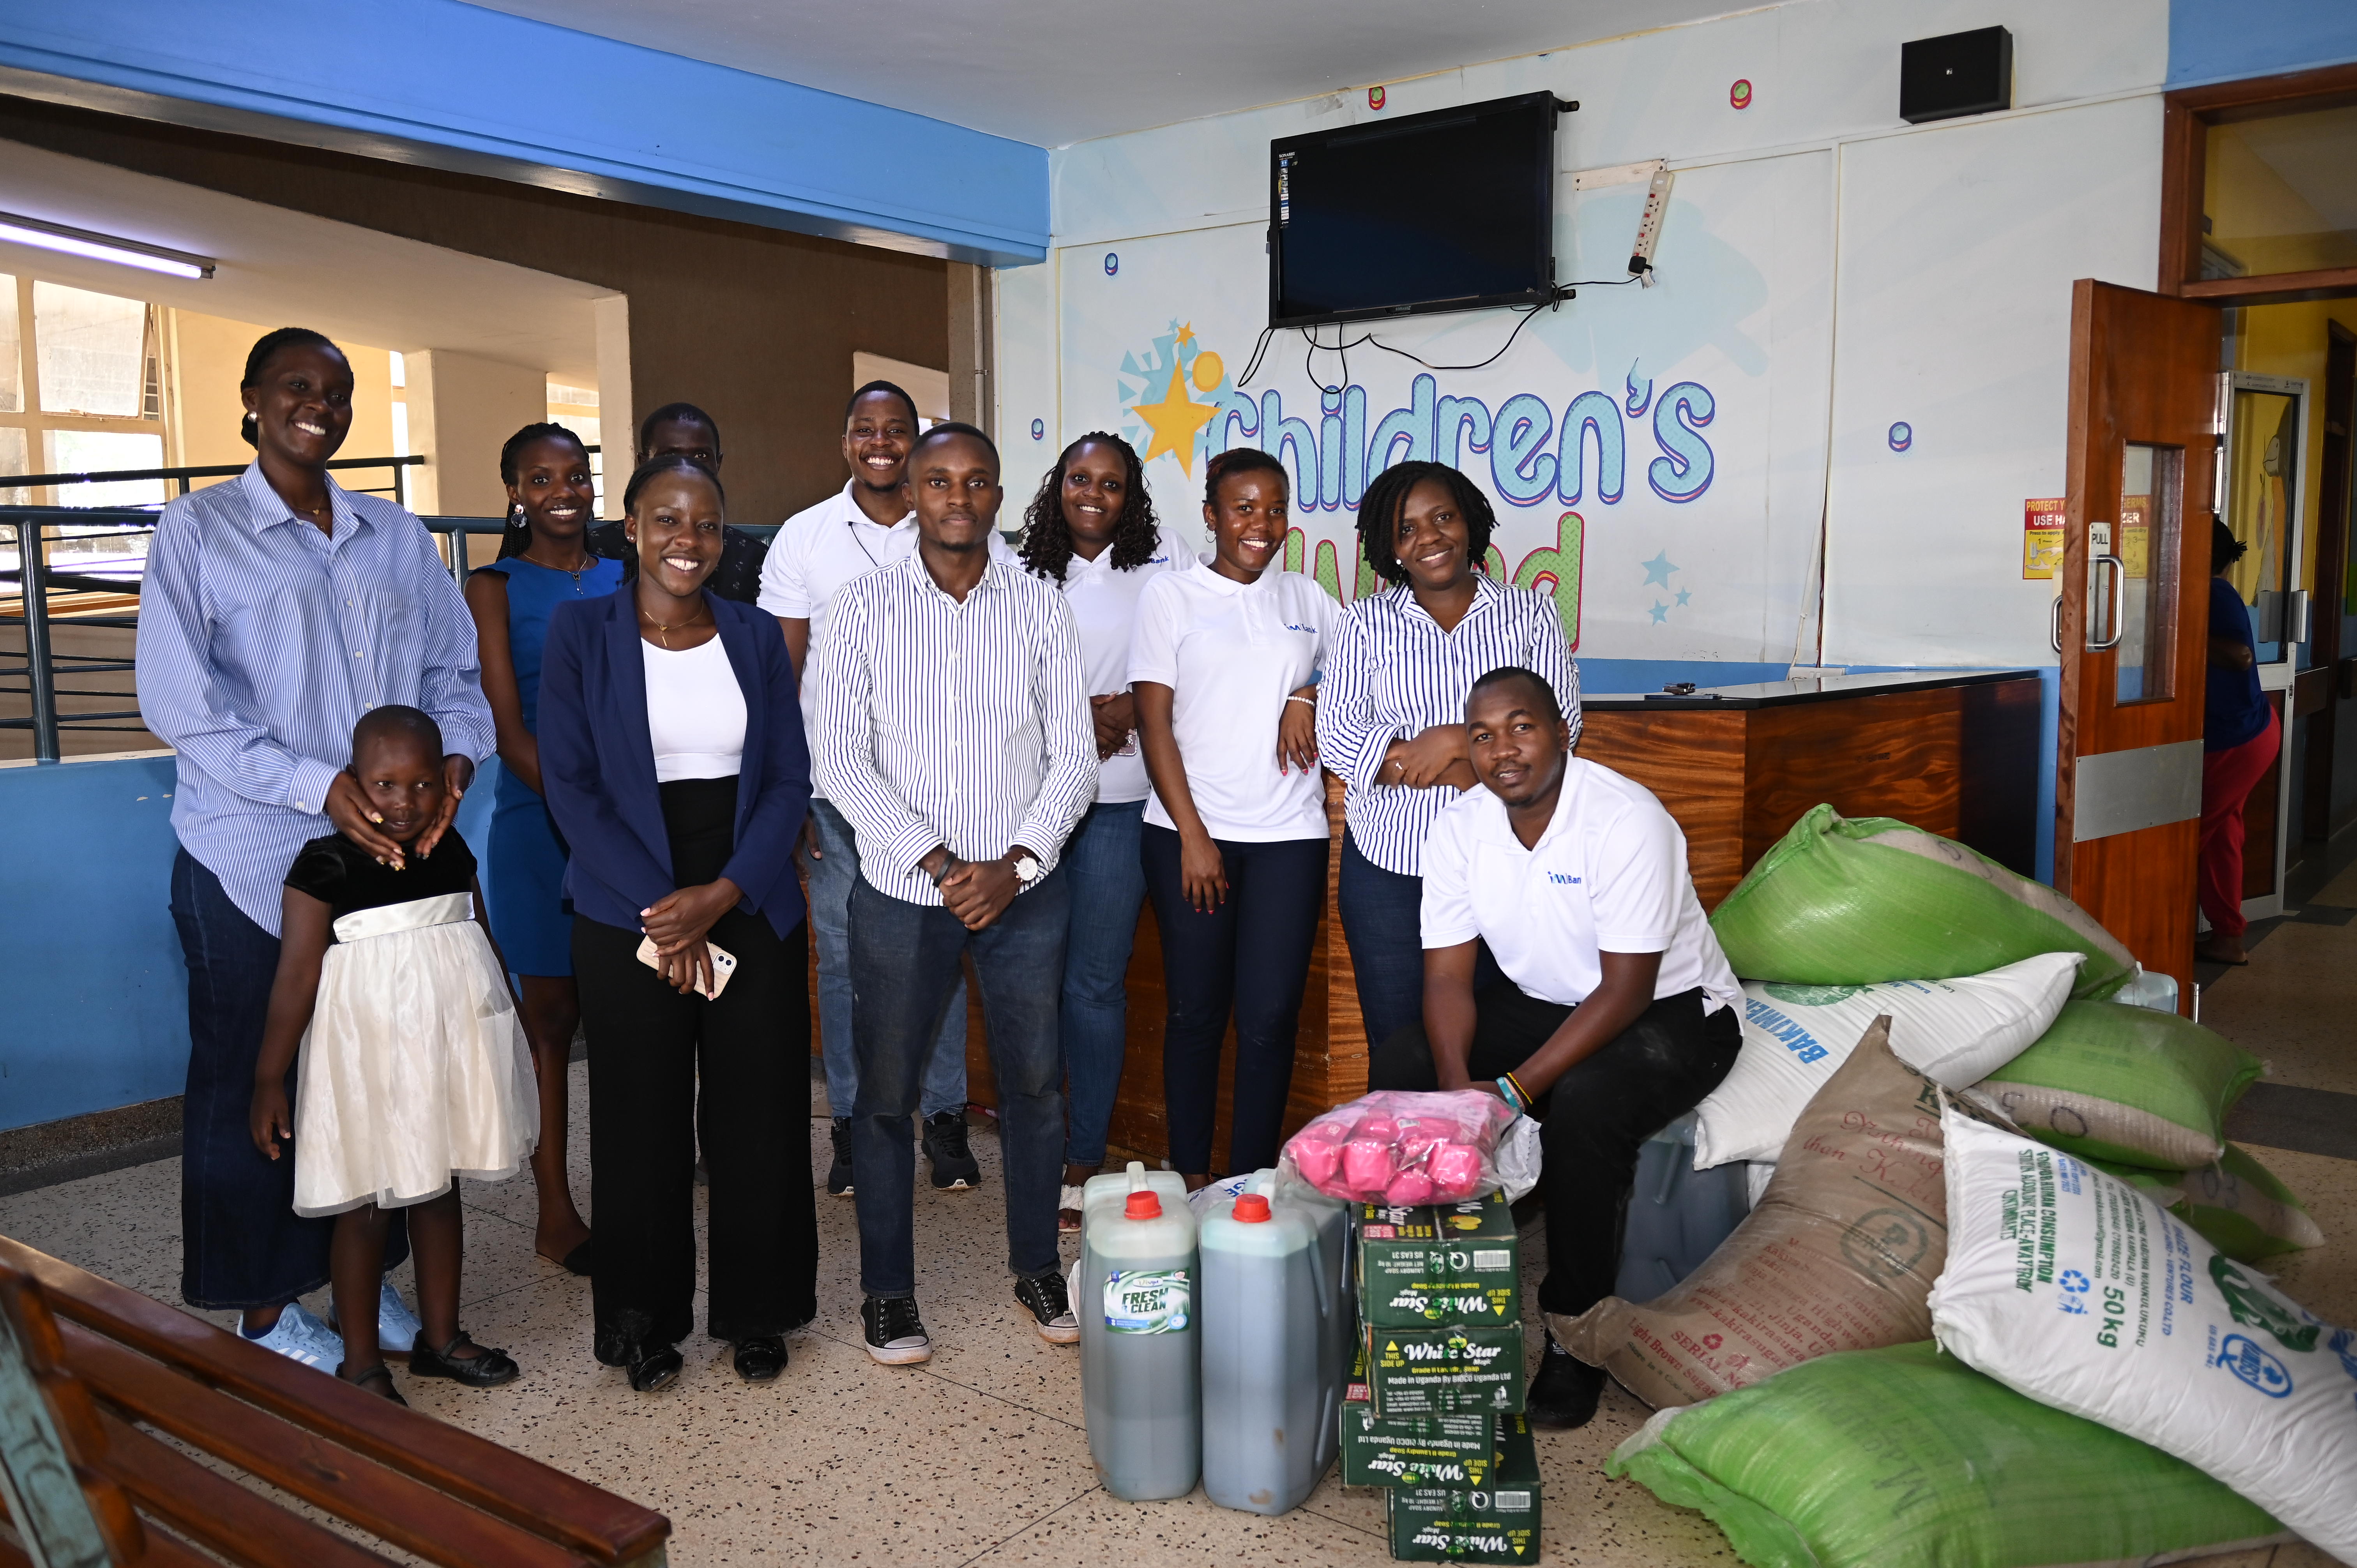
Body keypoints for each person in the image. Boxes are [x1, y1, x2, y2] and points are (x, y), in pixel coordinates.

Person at [136, 326, 495, 1368]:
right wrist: (316, 785)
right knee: (256, 1075)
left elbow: (455, 676)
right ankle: (263, 1307)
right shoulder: (199, 530)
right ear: (252, 399)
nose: (320, 406)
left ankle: (359, 1285)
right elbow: (181, 703)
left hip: (382, 871)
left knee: (373, 1077)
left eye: (337, 392)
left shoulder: (396, 535)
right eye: (297, 386)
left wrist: (455, 763)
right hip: (250, 856)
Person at [1368, 666, 1741, 1430]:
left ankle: (1574, 1334)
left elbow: (1626, 988)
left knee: (1585, 1101)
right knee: (1406, 1064)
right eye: (1482, 734)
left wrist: (1510, 1091)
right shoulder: (1460, 826)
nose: (1502, 749)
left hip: (1670, 1007)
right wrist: (1458, 1091)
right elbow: (1446, 976)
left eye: (1521, 726)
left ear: (1562, 733)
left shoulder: (1626, 819)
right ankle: (1428, 1296)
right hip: (1547, 999)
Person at [812, 422, 1097, 1365]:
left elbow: (1074, 757)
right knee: (886, 1096)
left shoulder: (1041, 605)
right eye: (939, 480)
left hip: (1025, 888)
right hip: (904, 890)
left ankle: (1037, 1266)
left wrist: (1014, 864)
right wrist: (940, 863)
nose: (958, 497)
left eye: (977, 481)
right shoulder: (860, 607)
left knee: (1035, 1086)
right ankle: (889, 1291)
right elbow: (840, 759)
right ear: (914, 495)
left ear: (998, 496)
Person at [539, 455, 816, 1393]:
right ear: (630, 525)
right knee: (639, 1115)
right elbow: (571, 786)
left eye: (705, 523)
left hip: (748, 890)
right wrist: (668, 912)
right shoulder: (581, 633)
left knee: (759, 1111)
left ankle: (759, 1311)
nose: (686, 539)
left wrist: (721, 895)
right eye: (666, 518)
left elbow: (787, 779)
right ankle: (643, 1322)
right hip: (626, 898)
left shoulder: (753, 634)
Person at [760, 382, 1011, 1197]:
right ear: (845, 442)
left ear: (916, 441)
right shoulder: (805, 537)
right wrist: (785, 792)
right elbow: (781, 673)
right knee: (842, 961)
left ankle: (943, 1118)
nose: (880, 443)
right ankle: (855, 1122)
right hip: (835, 792)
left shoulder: (958, 524)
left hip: (941, 794)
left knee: (938, 953)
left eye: (896, 429)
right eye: (864, 429)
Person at [247, 707, 535, 1403]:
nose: (405, 802)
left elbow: (480, 935)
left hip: (448, 1048)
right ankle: (360, 1362)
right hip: (368, 1059)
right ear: (352, 781)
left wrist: (512, 1019)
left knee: (440, 1188)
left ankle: (441, 1337)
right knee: (368, 1205)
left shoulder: (450, 848)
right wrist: (268, 1077)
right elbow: (296, 976)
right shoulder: (325, 864)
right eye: (384, 785)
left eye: (423, 784)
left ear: (447, 783)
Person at [1318, 460, 1580, 1049]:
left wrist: (1452, 741)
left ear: (1470, 522)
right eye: (1407, 529)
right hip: (1390, 867)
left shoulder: (1530, 614)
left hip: (1504, 859)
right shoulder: (1364, 623)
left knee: (1496, 1042)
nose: (1429, 538)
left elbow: (1561, 726)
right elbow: (1337, 736)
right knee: (1400, 1045)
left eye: (1443, 518)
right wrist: (1466, 766)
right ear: (1390, 547)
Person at [1131, 448, 1336, 1187]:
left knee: (1270, 1019)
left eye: (1275, 509)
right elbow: (1153, 721)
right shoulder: (1170, 595)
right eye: (1244, 508)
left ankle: (1249, 1184)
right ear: (1212, 516)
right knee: (1195, 1012)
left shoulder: (1307, 598)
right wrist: (1193, 835)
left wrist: (1306, 693)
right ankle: (1191, 1178)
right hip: (1189, 836)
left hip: (1289, 836)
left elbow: (1357, 667)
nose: (1262, 524)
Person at [1013, 433, 1191, 1230]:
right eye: (1079, 478)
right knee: (1030, 980)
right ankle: (1035, 1141)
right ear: (1058, 486)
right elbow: (986, 676)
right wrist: (1071, 715)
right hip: (1029, 807)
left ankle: (1082, 1155)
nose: (1093, 494)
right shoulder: (1019, 567)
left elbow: (1202, 651)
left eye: (1111, 483)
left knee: (1093, 983)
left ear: (1132, 494)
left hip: (1122, 804)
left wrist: (1129, 705)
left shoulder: (1165, 558)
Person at [463, 422, 622, 1273]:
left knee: (628, 1019)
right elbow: (505, 722)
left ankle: (632, 1194)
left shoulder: (627, 572)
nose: (563, 490)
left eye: (576, 474)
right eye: (540, 478)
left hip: (631, 828)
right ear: (515, 492)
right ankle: (555, 1210)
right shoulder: (493, 586)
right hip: (539, 824)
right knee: (551, 1021)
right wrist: (583, 813)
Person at [586, 403, 769, 602]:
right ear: (644, 462)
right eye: (670, 456)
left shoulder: (752, 558)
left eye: (700, 456)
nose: (685, 467)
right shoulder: (594, 550)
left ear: (719, 463)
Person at [2199, 519, 2280, 966]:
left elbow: (2240, 656)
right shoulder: (2216, 592)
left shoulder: (2212, 593)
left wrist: (2180, 628)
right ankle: (2228, 938)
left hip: (2235, 740)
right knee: (2220, 837)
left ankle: (2148, 937)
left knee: (2179, 837)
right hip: (2250, 733)